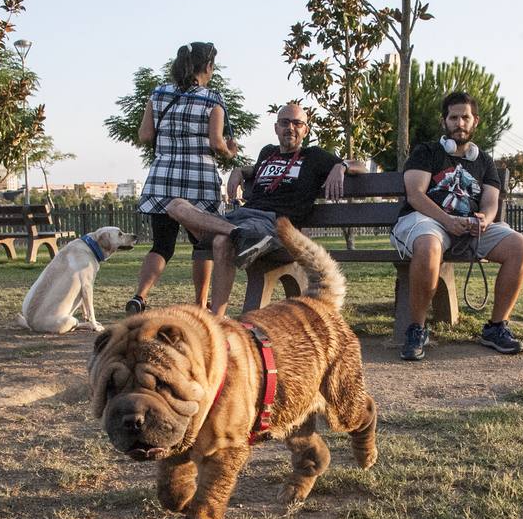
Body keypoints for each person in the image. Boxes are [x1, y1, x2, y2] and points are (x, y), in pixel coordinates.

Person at [164, 102, 366, 316]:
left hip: (274, 224)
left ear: (305, 130)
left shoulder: (314, 157)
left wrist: (341, 166)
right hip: (241, 219)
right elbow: (256, 170)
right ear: (276, 128)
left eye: (297, 123)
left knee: (221, 242)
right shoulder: (267, 153)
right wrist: (239, 170)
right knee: (175, 205)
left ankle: (217, 319)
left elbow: (360, 165)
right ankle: (239, 235)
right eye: (285, 122)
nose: (291, 128)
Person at [393, 91, 523, 361]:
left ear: (475, 121)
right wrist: (447, 220)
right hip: (425, 221)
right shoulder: (427, 152)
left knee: (519, 246)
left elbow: (491, 202)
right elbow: (416, 195)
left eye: (464, 117)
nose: (459, 123)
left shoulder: (484, 162)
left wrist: (485, 219)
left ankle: (495, 327)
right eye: (453, 117)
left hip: (468, 227)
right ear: (444, 121)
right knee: (429, 245)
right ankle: (417, 329)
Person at [126, 42, 237, 314]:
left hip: (162, 179)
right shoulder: (212, 99)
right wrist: (229, 152)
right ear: (208, 67)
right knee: (203, 246)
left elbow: (145, 136)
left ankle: (140, 296)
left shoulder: (159, 93)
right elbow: (216, 142)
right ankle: (200, 303)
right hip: (199, 183)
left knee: (162, 245)